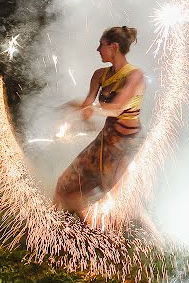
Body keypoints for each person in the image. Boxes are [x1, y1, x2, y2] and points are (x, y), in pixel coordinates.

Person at [53, 26, 146, 217]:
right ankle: (57, 231)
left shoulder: (135, 75)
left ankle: (140, 238)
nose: (97, 49)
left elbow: (118, 107)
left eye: (101, 45)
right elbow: (88, 106)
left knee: (112, 198)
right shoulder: (99, 75)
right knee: (66, 184)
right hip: (105, 140)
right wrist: (70, 108)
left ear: (114, 47)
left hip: (127, 144)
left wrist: (93, 110)